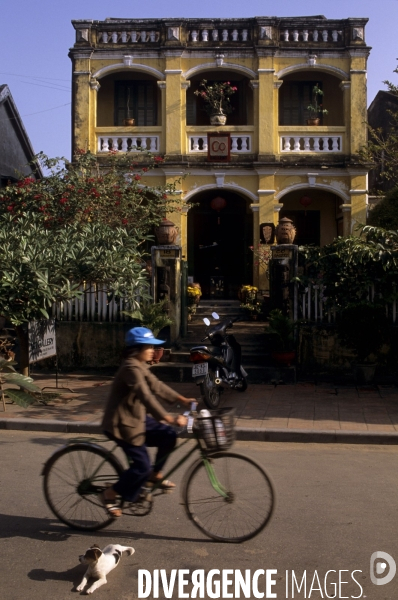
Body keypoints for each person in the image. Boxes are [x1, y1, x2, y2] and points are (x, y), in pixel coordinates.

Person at [100, 326, 196, 517]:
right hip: (122, 424)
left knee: (168, 435)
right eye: (149, 347)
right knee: (141, 466)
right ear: (137, 349)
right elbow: (145, 396)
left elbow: (156, 386)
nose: (153, 350)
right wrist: (167, 417)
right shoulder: (130, 367)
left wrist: (181, 399)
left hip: (137, 418)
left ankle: (154, 475)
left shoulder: (140, 366)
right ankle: (109, 494)